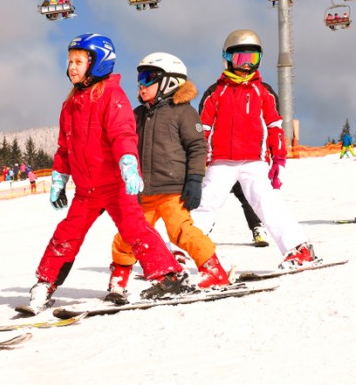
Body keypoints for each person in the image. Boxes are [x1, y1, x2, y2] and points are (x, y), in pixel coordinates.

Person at [22, 33, 190, 314]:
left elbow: (123, 134)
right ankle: (45, 284)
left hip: (115, 184)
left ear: (98, 63)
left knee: (135, 229)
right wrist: (59, 180)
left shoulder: (112, 96)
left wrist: (128, 164)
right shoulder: (70, 105)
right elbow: (65, 148)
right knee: (66, 234)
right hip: (86, 190)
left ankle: (169, 277)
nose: (72, 67)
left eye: (79, 61)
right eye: (70, 61)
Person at [191, 29, 318, 269]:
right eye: (241, 58)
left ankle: (298, 249)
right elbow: (203, 130)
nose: (247, 65)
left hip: (254, 162)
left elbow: (275, 126)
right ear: (227, 58)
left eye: (253, 58)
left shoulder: (264, 92)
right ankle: (182, 253)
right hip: (219, 162)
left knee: (267, 203)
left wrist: (278, 158)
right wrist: (199, 162)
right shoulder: (215, 93)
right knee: (205, 204)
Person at [108, 52, 229, 303]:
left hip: (174, 189)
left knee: (181, 232)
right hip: (143, 192)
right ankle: (119, 278)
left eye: (148, 77)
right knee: (129, 234)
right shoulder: (138, 114)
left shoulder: (183, 112)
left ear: (170, 82)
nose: (141, 84)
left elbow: (197, 147)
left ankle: (214, 270)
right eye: (139, 78)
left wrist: (195, 179)